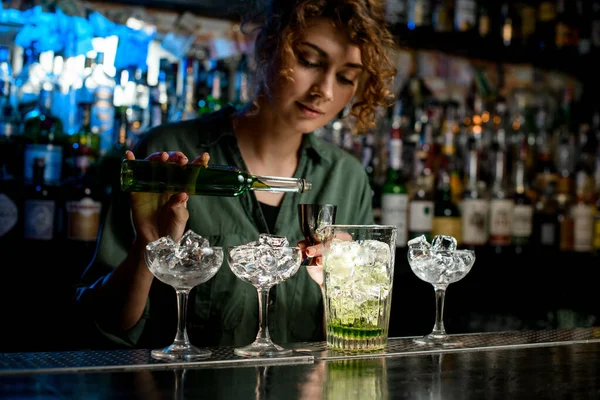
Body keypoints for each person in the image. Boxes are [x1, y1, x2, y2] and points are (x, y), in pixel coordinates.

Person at [75, 0, 397, 349]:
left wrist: (342, 287)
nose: (326, 91)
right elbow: (105, 325)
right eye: (309, 60)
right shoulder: (171, 153)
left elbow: (352, 343)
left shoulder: (346, 177)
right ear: (269, 47)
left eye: (347, 77)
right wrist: (147, 246)